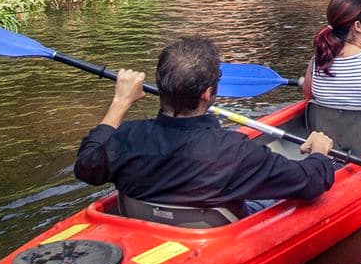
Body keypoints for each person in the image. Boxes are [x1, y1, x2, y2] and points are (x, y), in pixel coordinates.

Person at [74, 37, 335, 226]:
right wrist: (320, 156)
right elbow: (311, 181)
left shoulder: (126, 136)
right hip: (212, 236)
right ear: (208, 94)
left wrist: (120, 102)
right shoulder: (234, 151)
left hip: (145, 227)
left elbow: (86, 165)